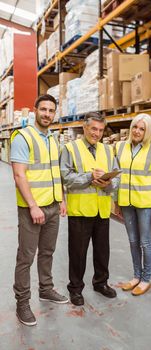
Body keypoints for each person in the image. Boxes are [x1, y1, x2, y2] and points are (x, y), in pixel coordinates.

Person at [10, 94, 68, 327]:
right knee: (26, 257)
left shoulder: (53, 139)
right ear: (34, 110)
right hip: (32, 209)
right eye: (43, 109)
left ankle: (46, 289)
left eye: (51, 110)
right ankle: (22, 303)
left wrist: (61, 198)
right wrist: (33, 206)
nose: (46, 114)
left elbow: (55, 172)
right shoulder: (23, 137)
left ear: (55, 113)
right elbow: (19, 174)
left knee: (47, 252)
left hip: (53, 206)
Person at [60, 112, 119, 306]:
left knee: (103, 251)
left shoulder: (108, 150)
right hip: (80, 211)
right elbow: (66, 178)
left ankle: (101, 283)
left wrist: (107, 184)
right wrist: (88, 177)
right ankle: (75, 289)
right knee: (78, 252)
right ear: (84, 128)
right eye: (93, 129)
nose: (97, 134)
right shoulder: (70, 148)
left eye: (101, 130)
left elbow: (117, 178)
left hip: (102, 210)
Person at [114, 113, 151, 296]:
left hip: (145, 204)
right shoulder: (120, 147)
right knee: (132, 240)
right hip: (126, 202)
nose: (137, 131)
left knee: (145, 242)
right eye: (135, 127)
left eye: (142, 128)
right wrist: (116, 200)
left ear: (148, 131)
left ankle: (146, 279)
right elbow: (117, 175)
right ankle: (136, 276)